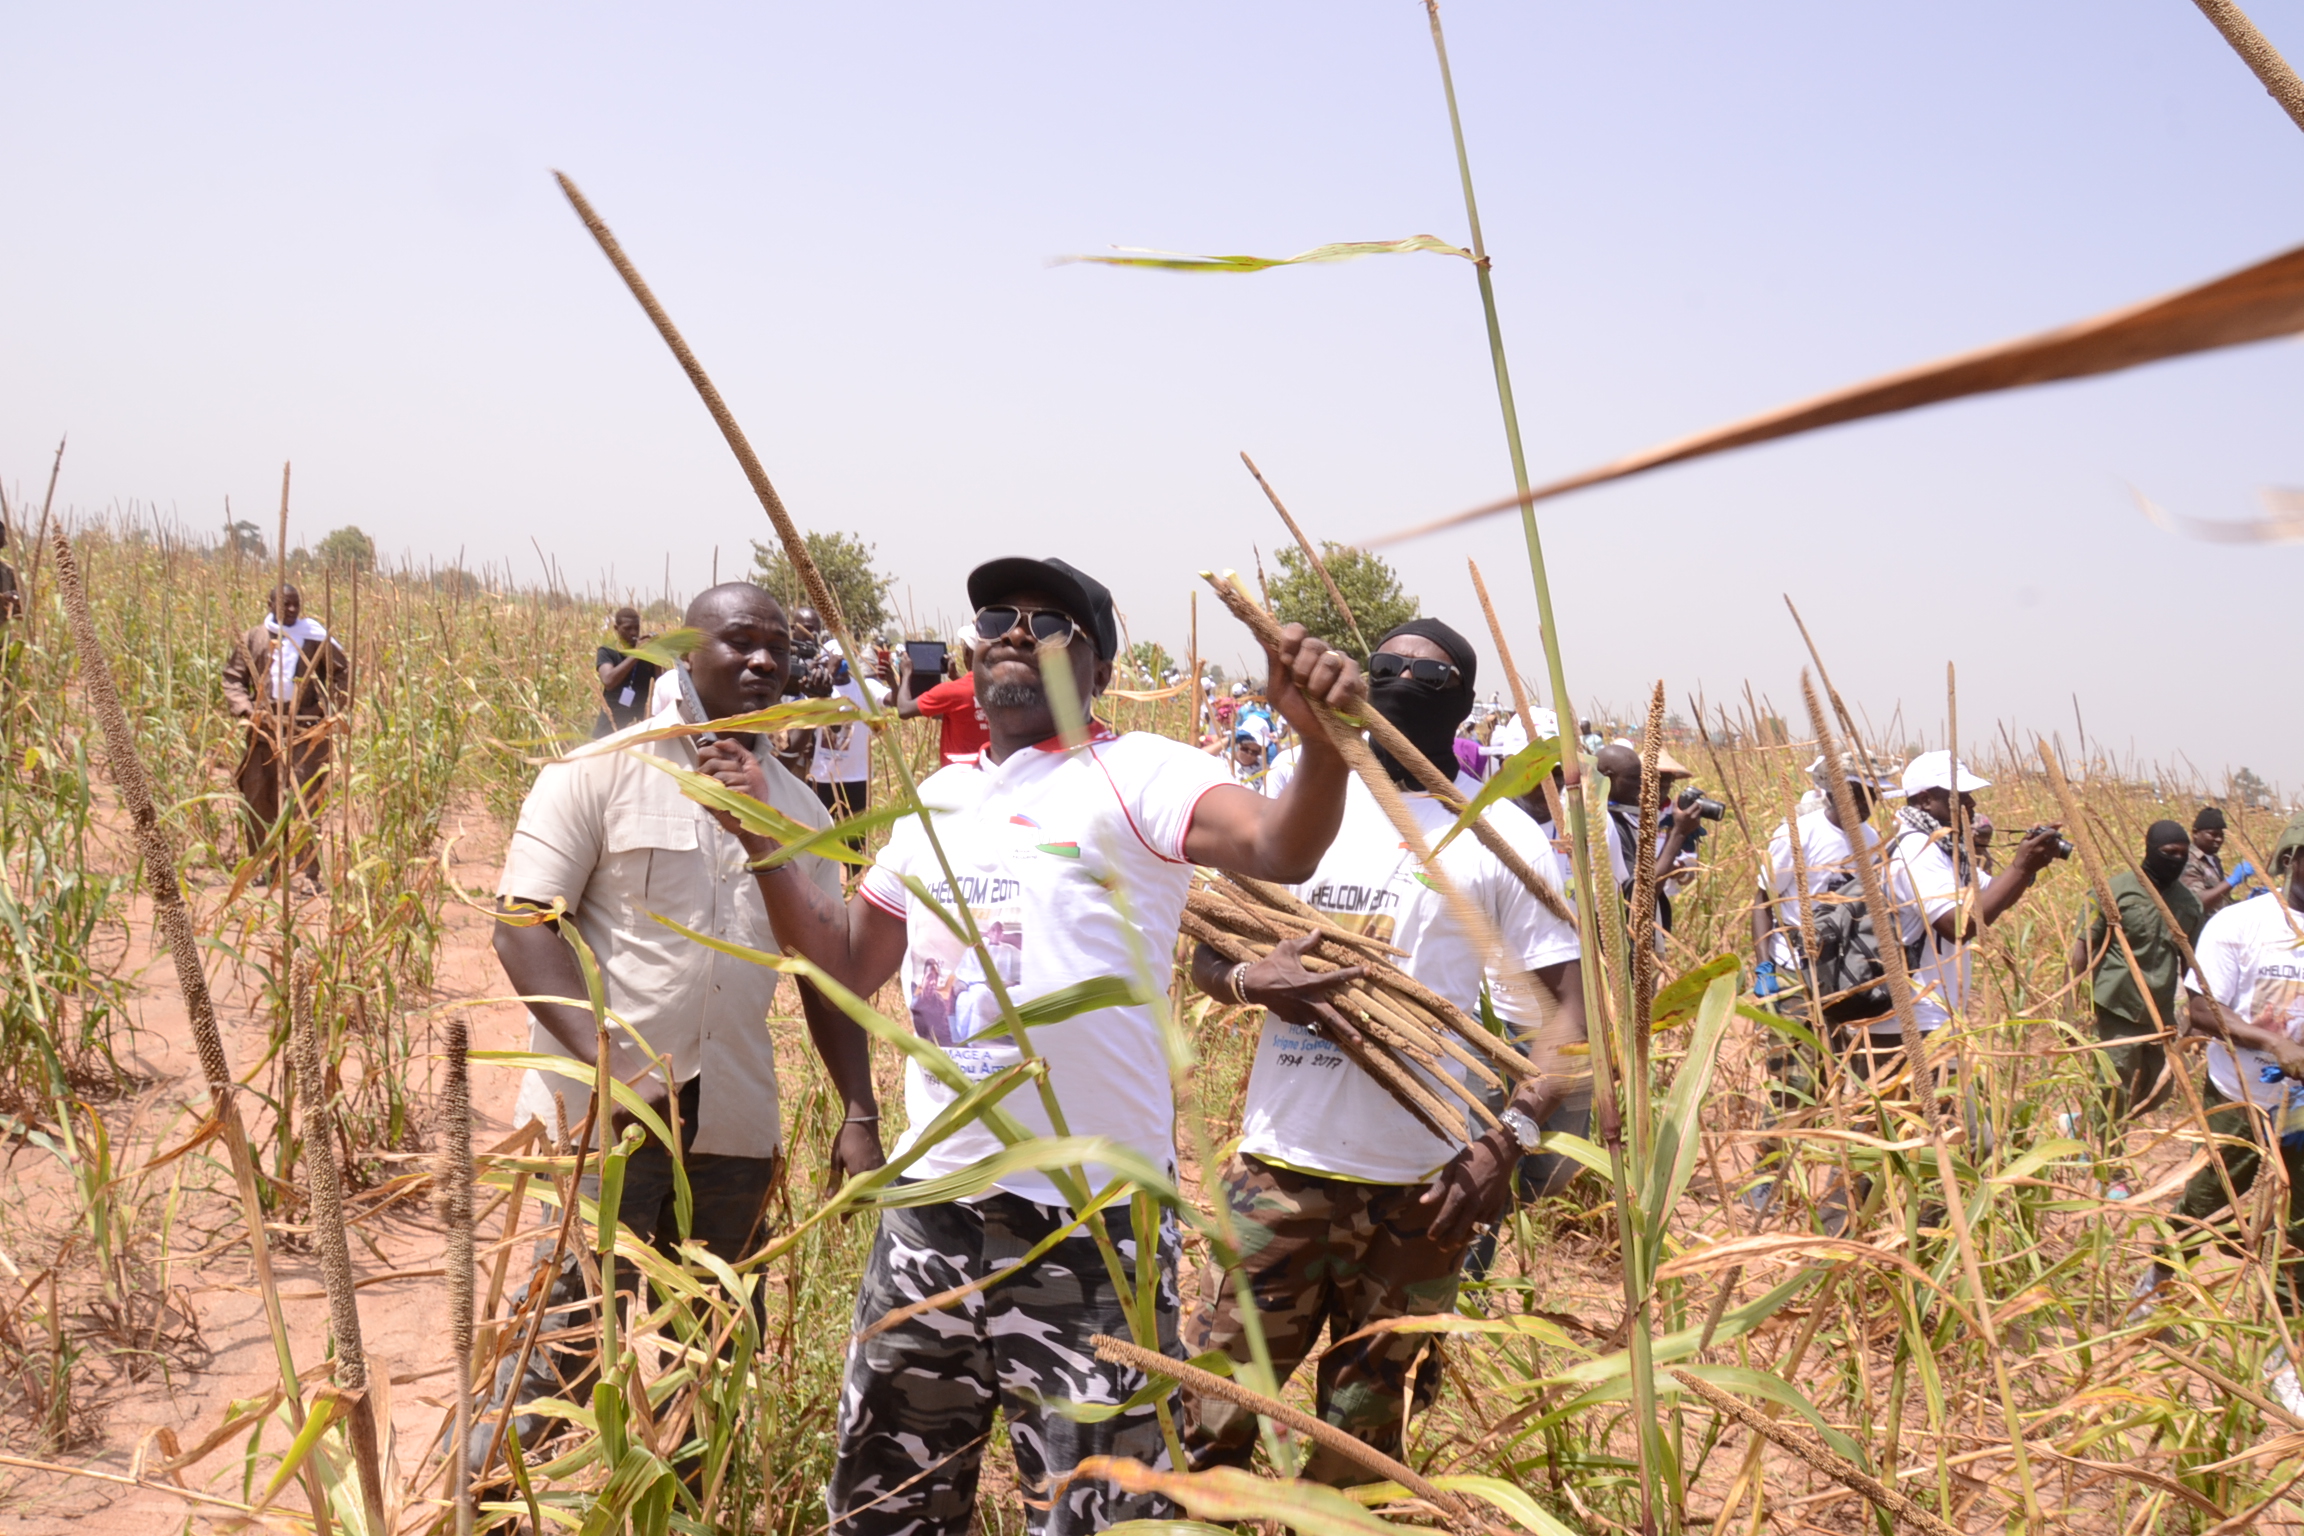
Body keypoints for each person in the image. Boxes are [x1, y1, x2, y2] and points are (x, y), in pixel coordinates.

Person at [692, 555, 1364, 1536]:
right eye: (998, 615)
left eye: (1052, 622)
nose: (1016, 629)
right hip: (931, 1217)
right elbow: (843, 961)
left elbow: (1279, 849)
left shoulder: (1138, 774)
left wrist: (1324, 748)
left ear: (1095, 669)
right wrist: (756, 831)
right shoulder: (938, 807)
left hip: (1088, 1230)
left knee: (1102, 1515)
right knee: (887, 1504)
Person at [477, 583, 876, 1458]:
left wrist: (859, 1109)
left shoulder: (805, 814)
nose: (764, 661)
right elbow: (520, 926)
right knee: (559, 1348)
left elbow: (824, 971)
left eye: (777, 647)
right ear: (686, 650)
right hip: (603, 1122)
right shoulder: (598, 770)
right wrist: (611, 1069)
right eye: (739, 642)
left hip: (732, 1123)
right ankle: (483, 1509)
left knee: (716, 1349)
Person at [1178, 617, 1582, 1482]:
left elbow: (1573, 1015)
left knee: (1362, 1444)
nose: (1398, 679)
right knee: (1216, 1416)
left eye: (1427, 677)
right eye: (1385, 666)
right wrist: (1257, 982)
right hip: (1280, 1172)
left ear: (1465, 707)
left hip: (1426, 1190)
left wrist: (1510, 1137)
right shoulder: (1303, 803)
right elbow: (1205, 949)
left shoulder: (1495, 835)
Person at [2135, 812, 2304, 1414]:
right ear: (2290, 860)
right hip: (2241, 1097)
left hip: (2303, 1111)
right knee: (2209, 1203)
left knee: (2297, 1231)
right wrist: (2272, 1043)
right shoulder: (2241, 924)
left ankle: (2282, 1356)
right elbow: (2201, 1012)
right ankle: (2152, 1291)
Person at [1742, 753, 1892, 1214]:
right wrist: (1766, 970)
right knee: (1793, 1079)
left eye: (1872, 795)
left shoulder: (1872, 842)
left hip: (1844, 979)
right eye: (1856, 794)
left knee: (1829, 1080)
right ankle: (1766, 1177)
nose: (1866, 804)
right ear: (1831, 792)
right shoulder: (1800, 836)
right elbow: (1763, 901)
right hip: (1792, 973)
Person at [2068, 820, 2205, 1145]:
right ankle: (2109, 1163)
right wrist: (2070, 1006)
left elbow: (2191, 964)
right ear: (2150, 850)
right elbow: (2080, 949)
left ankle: (2084, 1123)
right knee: (2116, 1088)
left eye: (2183, 855)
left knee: (2159, 1089)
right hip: (2117, 1006)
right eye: (2169, 853)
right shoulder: (2113, 891)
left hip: (2159, 1013)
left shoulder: (2189, 904)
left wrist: (2197, 1022)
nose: (2176, 860)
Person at [220, 583, 347, 880]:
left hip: (305, 730)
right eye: (285, 604)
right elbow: (232, 679)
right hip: (262, 731)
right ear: (270, 604)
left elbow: (343, 674)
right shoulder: (254, 638)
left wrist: (323, 710)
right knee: (258, 796)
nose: (291, 610)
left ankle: (309, 870)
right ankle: (266, 866)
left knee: (306, 797)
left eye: (295, 604)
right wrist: (249, 710)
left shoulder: (316, 637)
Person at [1594, 741, 1707, 936]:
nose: (1645, 785)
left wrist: (1679, 870)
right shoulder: (1606, 823)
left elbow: (1688, 872)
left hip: (1649, 924)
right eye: (1648, 779)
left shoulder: (1672, 816)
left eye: (1666, 781)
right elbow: (1638, 893)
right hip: (1619, 930)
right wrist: (1677, 833)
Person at [897, 632, 992, 765]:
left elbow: (904, 709)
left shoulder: (952, 691)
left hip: (958, 776)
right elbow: (971, 697)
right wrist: (956, 677)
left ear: (967, 654)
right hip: (992, 773)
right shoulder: (1001, 688)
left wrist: (906, 673)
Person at [593, 606, 661, 737]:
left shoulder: (646, 652)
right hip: (611, 720)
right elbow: (608, 680)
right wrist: (636, 654)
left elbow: (660, 683)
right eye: (628, 628)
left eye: (636, 628)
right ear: (616, 629)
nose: (634, 633)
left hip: (639, 721)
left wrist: (657, 655)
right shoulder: (607, 651)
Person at [2182, 806, 2253, 918]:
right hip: (2199, 930)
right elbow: (2198, 903)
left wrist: (2249, 901)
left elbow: (2222, 904)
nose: (2219, 839)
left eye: (2221, 835)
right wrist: (2232, 881)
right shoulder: (2188, 860)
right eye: (2213, 834)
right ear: (2195, 833)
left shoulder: (2213, 860)